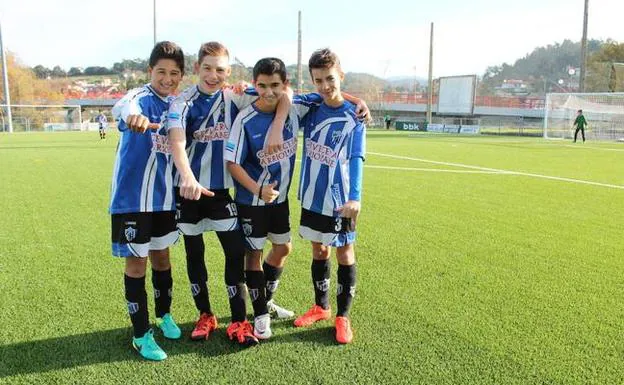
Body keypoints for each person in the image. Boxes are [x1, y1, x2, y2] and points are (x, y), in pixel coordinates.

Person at [167, 42, 292, 347]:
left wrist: (355, 99)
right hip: (189, 191)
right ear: (197, 68)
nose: (213, 75)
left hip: (223, 193)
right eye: (207, 68)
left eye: (220, 69)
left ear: (229, 72)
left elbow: (285, 94)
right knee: (194, 255)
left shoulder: (236, 94)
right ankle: (205, 315)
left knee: (236, 254)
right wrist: (187, 178)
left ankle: (238, 321)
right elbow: (177, 142)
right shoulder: (181, 102)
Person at [225, 57, 324, 340]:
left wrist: (359, 103)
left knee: (283, 248)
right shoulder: (246, 118)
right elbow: (232, 163)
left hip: (279, 202)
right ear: (255, 85)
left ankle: (264, 299)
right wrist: (257, 189)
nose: (269, 92)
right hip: (251, 202)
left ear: (286, 85)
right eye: (263, 86)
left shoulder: (294, 108)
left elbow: (331, 93)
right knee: (253, 256)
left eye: (276, 86)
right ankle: (259, 315)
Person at [109, 41, 185, 361]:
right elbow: (123, 107)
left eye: (174, 73)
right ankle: (141, 334)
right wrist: (134, 117)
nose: (167, 79)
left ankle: (163, 315)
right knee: (137, 264)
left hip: (165, 199)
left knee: (163, 259)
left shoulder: (180, 104)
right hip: (132, 201)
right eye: (161, 72)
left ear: (181, 75)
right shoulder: (138, 98)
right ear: (149, 71)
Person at [292, 48, 365, 345]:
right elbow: (274, 92)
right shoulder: (311, 105)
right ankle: (321, 307)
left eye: (330, 79)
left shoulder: (355, 114)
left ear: (341, 76)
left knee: (344, 252)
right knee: (318, 251)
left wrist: (355, 197)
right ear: (312, 80)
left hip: (340, 199)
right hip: (312, 194)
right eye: (319, 80)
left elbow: (358, 156)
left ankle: (343, 317)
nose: (325, 86)